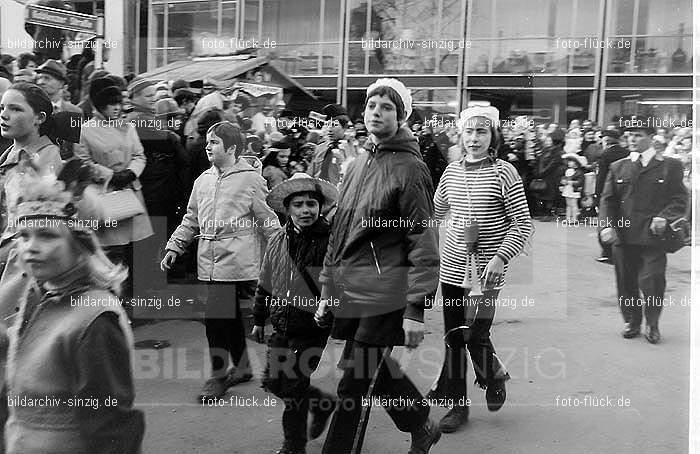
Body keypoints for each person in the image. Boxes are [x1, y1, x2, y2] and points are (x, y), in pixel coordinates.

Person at [314, 78, 441, 454]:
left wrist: (416, 308)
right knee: (374, 372)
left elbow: (422, 238)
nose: (376, 113)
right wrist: (326, 289)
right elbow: (339, 233)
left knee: (353, 384)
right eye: (372, 106)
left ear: (401, 116)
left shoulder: (411, 169)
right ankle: (420, 421)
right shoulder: (355, 165)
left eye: (387, 107)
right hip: (350, 289)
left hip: (387, 295)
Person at [0, 174, 144, 453]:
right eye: (24, 235)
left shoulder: (96, 319)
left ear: (81, 245)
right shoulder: (37, 295)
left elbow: (111, 427)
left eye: (47, 235)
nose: (31, 247)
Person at [430, 105, 533, 433]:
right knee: (454, 339)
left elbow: (522, 223)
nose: (474, 138)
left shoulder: (505, 172)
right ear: (460, 135)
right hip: (452, 270)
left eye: (481, 131)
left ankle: (492, 376)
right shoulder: (450, 173)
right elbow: (436, 211)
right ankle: (458, 407)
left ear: (493, 137)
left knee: (476, 334)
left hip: (488, 272)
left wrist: (500, 257)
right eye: (469, 131)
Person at [161, 121, 281, 401]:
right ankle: (241, 368)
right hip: (208, 260)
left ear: (232, 147)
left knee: (215, 317)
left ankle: (217, 377)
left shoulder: (251, 179)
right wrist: (174, 246)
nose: (207, 146)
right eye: (207, 142)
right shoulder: (202, 180)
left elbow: (267, 218)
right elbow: (190, 219)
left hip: (237, 261)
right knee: (228, 315)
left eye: (214, 142)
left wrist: (282, 250)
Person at [252, 172, 339, 454]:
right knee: (274, 383)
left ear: (320, 207)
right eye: (298, 204)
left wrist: (329, 312)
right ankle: (322, 403)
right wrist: (258, 319)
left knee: (294, 388)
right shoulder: (278, 240)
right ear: (287, 210)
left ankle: (293, 445)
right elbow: (265, 280)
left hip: (311, 329)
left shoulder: (330, 241)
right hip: (280, 323)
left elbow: (338, 286)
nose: (305, 210)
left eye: (311, 203)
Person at [598, 116, 688, 344]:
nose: (632, 139)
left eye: (638, 135)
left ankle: (653, 323)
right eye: (629, 136)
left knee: (653, 281)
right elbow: (608, 200)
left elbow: (679, 199)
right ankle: (632, 321)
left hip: (653, 237)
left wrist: (665, 218)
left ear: (650, 138)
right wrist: (607, 225)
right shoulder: (618, 166)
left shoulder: (670, 166)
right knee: (626, 283)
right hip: (624, 236)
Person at [74, 77, 154, 305]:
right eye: (112, 103)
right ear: (99, 106)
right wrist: (109, 175)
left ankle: (130, 295)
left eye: (119, 103)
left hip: (130, 190)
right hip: (105, 194)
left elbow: (140, 154)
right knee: (112, 248)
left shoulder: (128, 127)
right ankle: (111, 294)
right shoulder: (86, 130)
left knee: (132, 248)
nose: (117, 108)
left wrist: (131, 172)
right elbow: (82, 161)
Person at [594, 129, 629, 263]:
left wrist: (597, 195)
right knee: (622, 221)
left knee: (605, 221)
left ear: (606, 141)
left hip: (608, 191)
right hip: (624, 192)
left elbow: (601, 176)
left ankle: (607, 252)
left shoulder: (605, 154)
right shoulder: (627, 153)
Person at [308, 103, 354, 186]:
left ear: (344, 127)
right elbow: (311, 174)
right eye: (327, 125)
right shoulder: (320, 148)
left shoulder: (352, 150)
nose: (329, 129)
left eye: (333, 125)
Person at [559, 153, 587, 222]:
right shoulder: (567, 171)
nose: (569, 163)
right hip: (568, 189)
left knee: (574, 204)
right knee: (568, 205)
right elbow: (564, 178)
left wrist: (571, 182)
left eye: (571, 161)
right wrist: (563, 182)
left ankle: (574, 218)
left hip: (574, 190)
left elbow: (580, 182)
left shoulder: (579, 172)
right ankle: (568, 218)